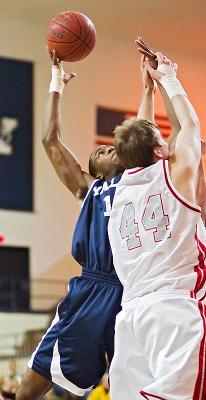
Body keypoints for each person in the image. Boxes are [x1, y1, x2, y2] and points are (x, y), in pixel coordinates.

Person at [16, 48, 159, 400]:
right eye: (100, 152)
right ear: (92, 168)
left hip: (134, 289)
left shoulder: (135, 181)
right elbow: (49, 141)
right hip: (92, 289)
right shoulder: (88, 188)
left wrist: (148, 90)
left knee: (138, 384)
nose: (108, 149)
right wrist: (56, 84)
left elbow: (141, 134)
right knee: (34, 382)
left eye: (113, 147)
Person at [108, 47, 206, 399]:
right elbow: (189, 125)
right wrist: (168, 76)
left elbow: (139, 142)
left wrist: (147, 92)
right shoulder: (174, 177)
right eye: (161, 141)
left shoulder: (122, 191)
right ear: (159, 152)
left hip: (131, 319)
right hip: (173, 311)